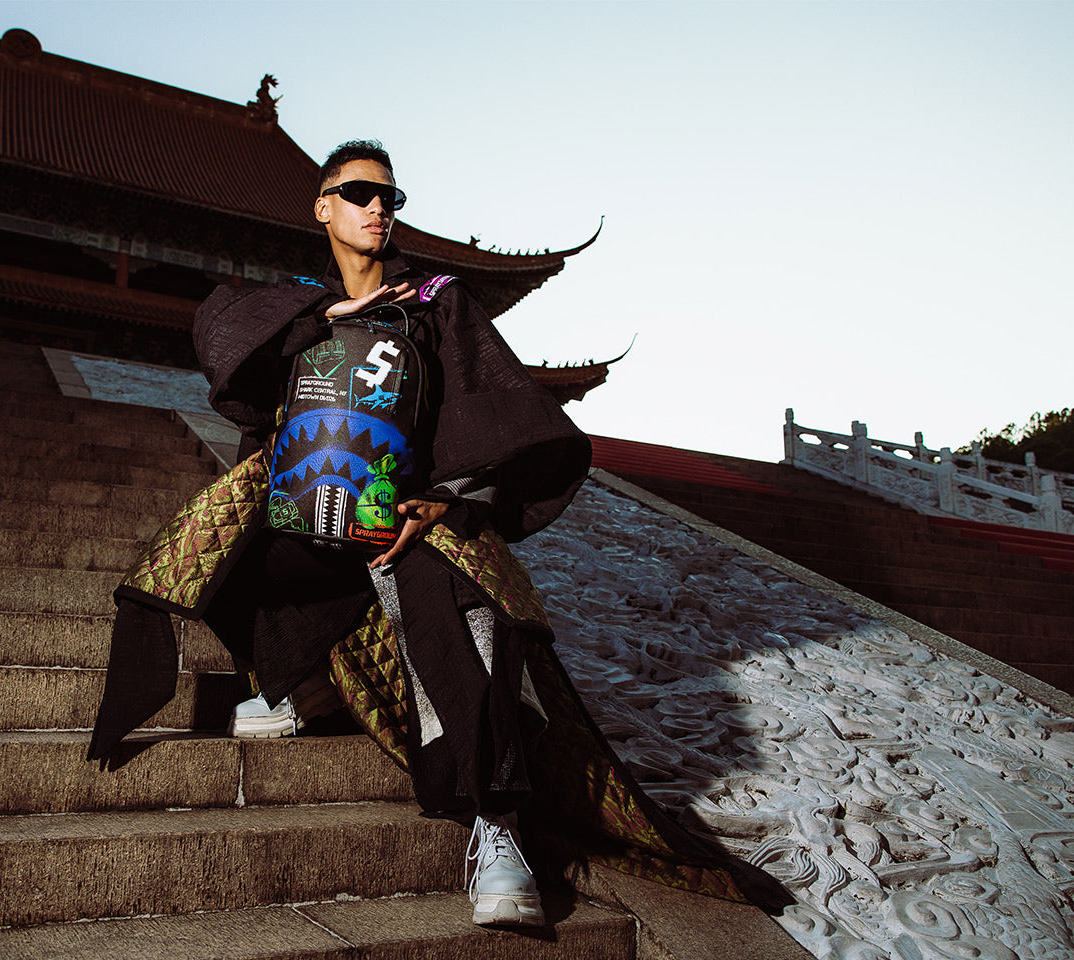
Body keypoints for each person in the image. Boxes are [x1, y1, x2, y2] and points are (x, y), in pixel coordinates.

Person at [89, 140, 763, 927]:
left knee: (464, 608)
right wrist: (323, 318)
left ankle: (496, 826)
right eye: (359, 192)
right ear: (323, 206)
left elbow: (491, 409)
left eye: (390, 196)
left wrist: (446, 500)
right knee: (209, 562)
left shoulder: (437, 300)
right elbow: (220, 329)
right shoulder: (298, 304)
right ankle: (303, 682)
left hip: (407, 521)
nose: (378, 207)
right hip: (311, 516)